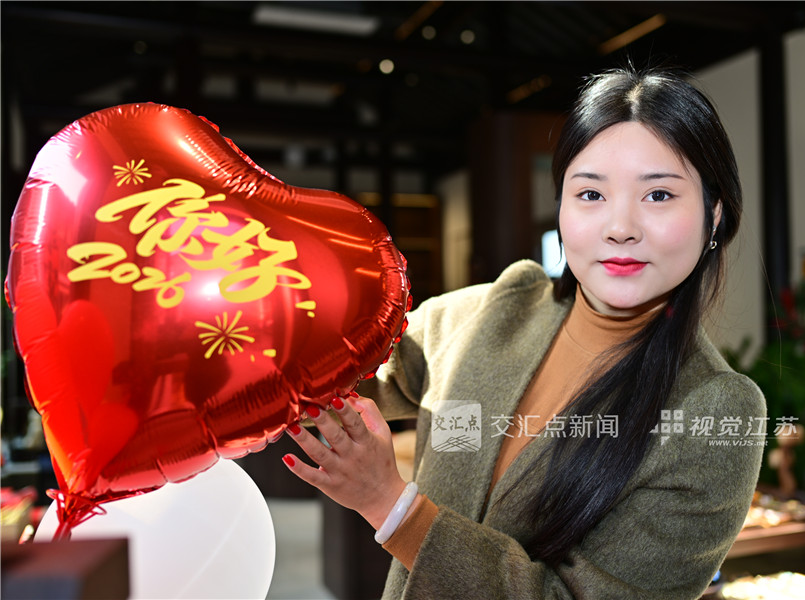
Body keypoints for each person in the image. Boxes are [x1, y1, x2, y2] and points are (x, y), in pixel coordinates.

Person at [281, 66, 766, 599]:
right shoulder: (502, 308)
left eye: (658, 195)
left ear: (714, 215)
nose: (620, 227)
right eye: (590, 194)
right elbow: (343, 372)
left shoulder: (714, 410)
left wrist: (390, 506)